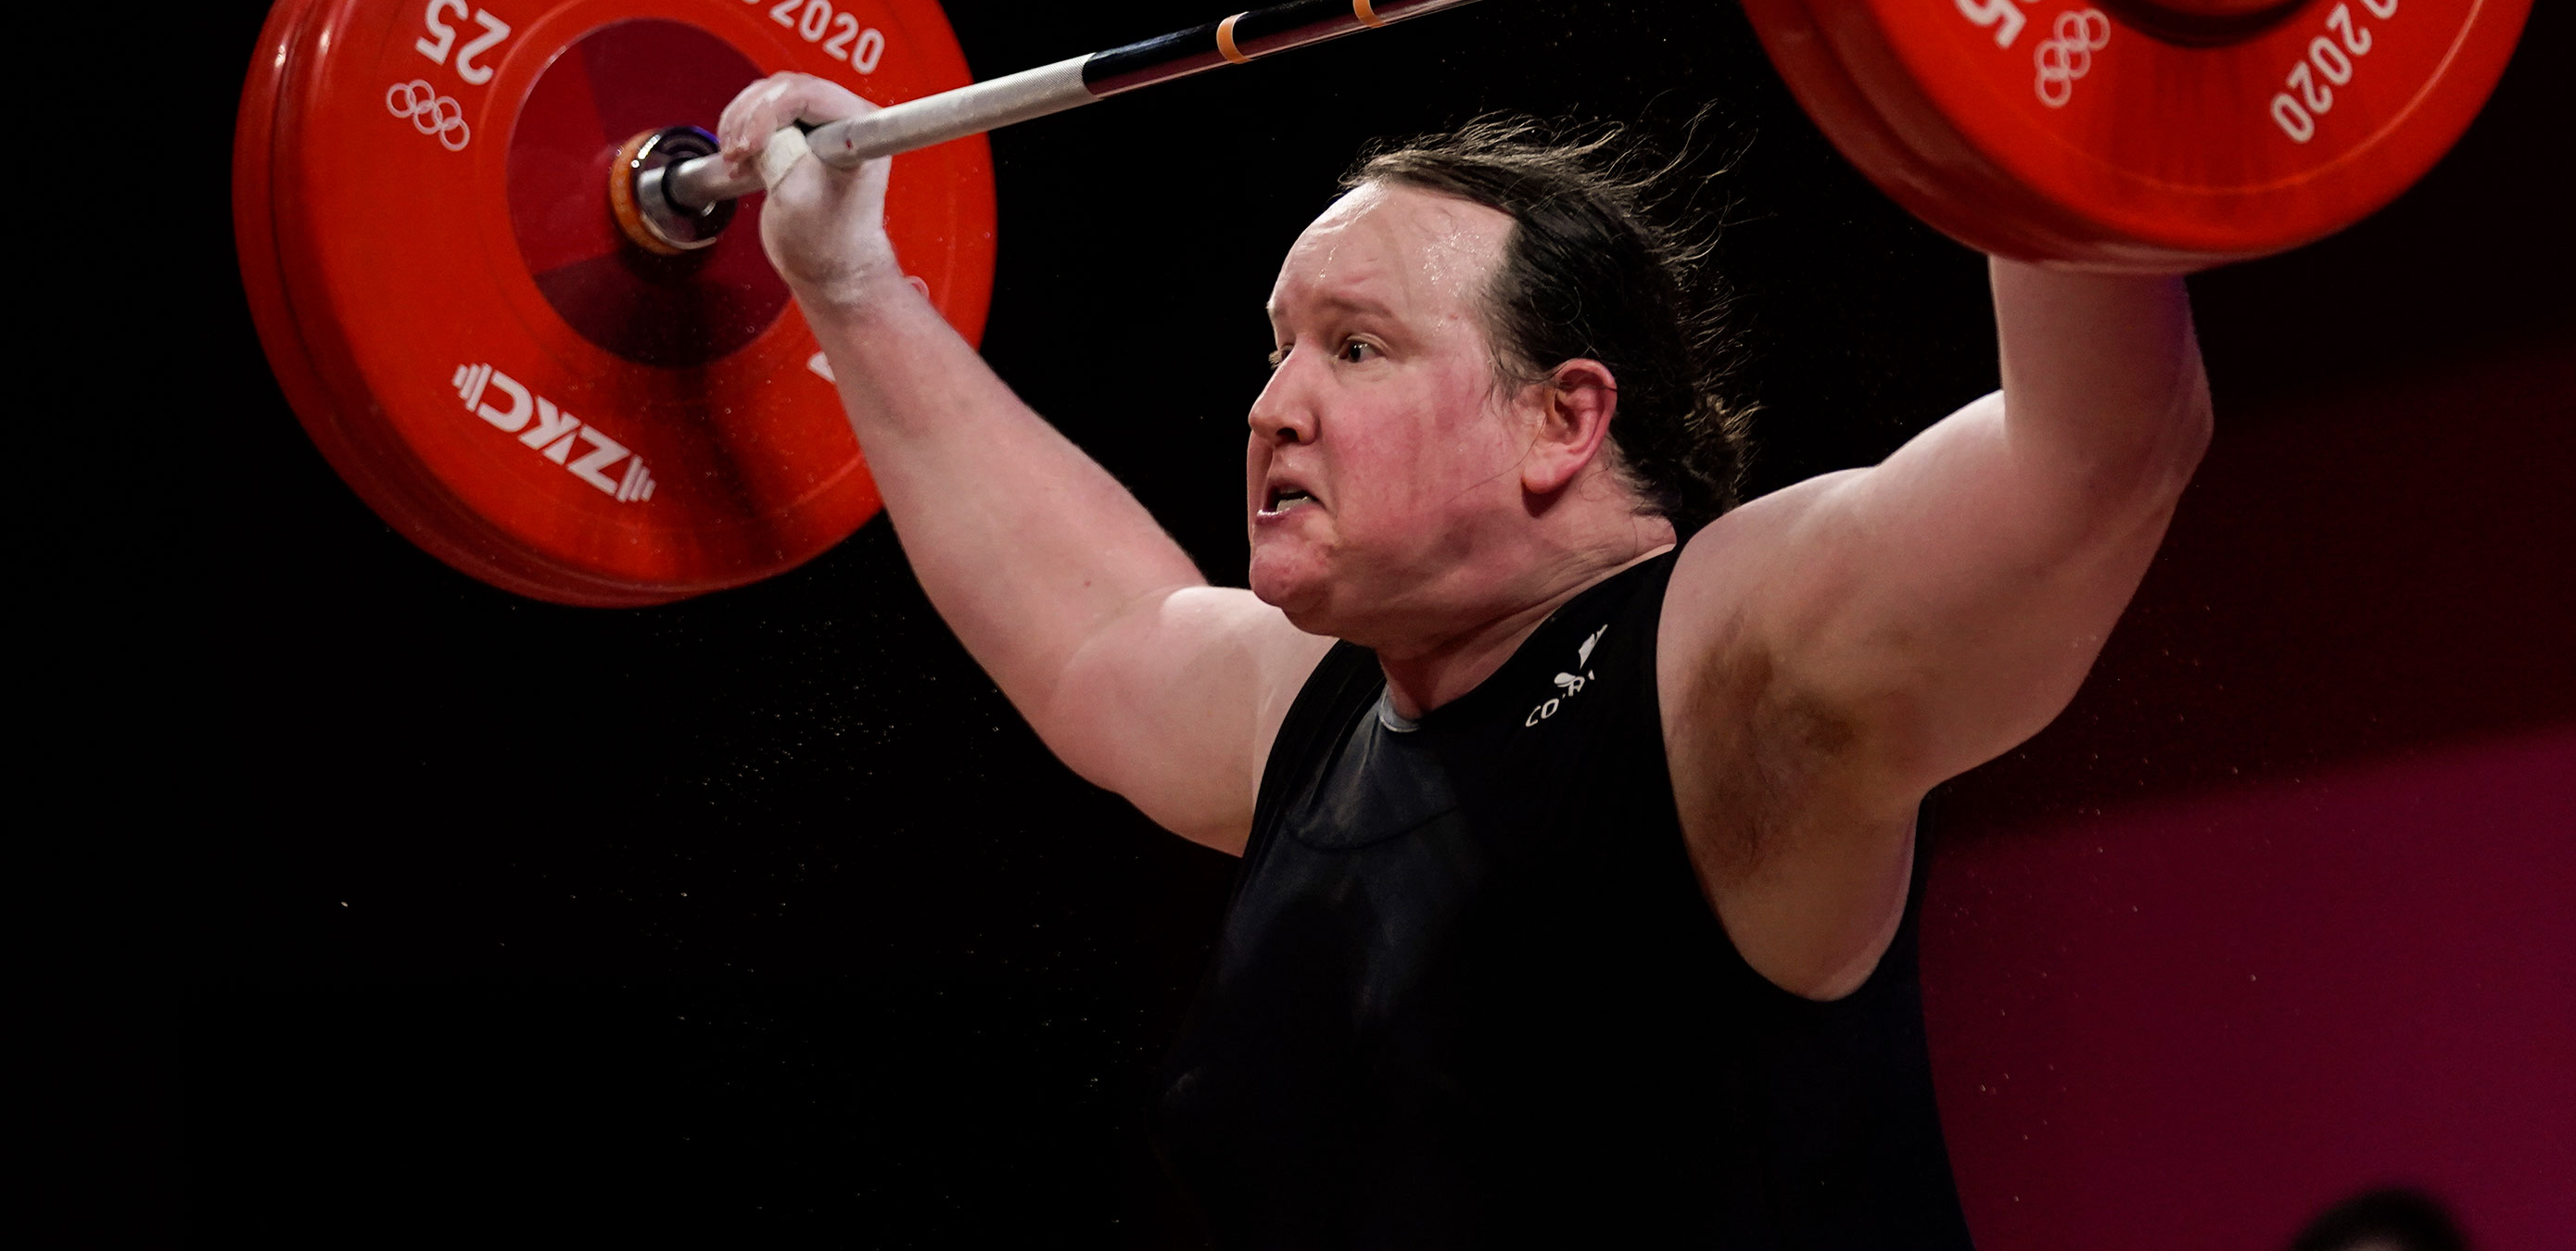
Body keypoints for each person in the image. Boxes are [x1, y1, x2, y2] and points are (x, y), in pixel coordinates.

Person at [717, 73, 2213, 1246]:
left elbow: (2095, 456)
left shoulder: (1717, 670)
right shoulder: (1318, 722)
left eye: (1356, 349)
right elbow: (1100, 628)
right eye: (1276, 347)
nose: (1275, 407)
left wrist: (2040, 41)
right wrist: (852, 286)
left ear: (1564, 419)